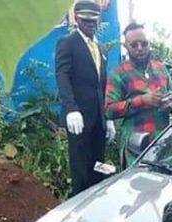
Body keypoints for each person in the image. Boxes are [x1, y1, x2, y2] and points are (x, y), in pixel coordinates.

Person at [55, 0, 116, 196]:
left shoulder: (101, 48)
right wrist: (71, 108)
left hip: (99, 117)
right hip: (78, 117)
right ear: (77, 20)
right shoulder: (68, 43)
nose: (90, 24)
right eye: (85, 20)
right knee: (80, 166)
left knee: (98, 164)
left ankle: (95, 200)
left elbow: (102, 84)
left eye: (93, 21)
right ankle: (80, 206)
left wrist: (108, 116)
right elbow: (62, 76)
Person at [105, 22, 172, 168]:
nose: (140, 48)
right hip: (135, 148)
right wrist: (142, 101)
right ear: (126, 46)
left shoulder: (161, 69)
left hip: (162, 144)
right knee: (135, 188)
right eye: (134, 45)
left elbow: (171, 96)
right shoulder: (118, 73)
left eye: (144, 43)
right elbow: (108, 110)